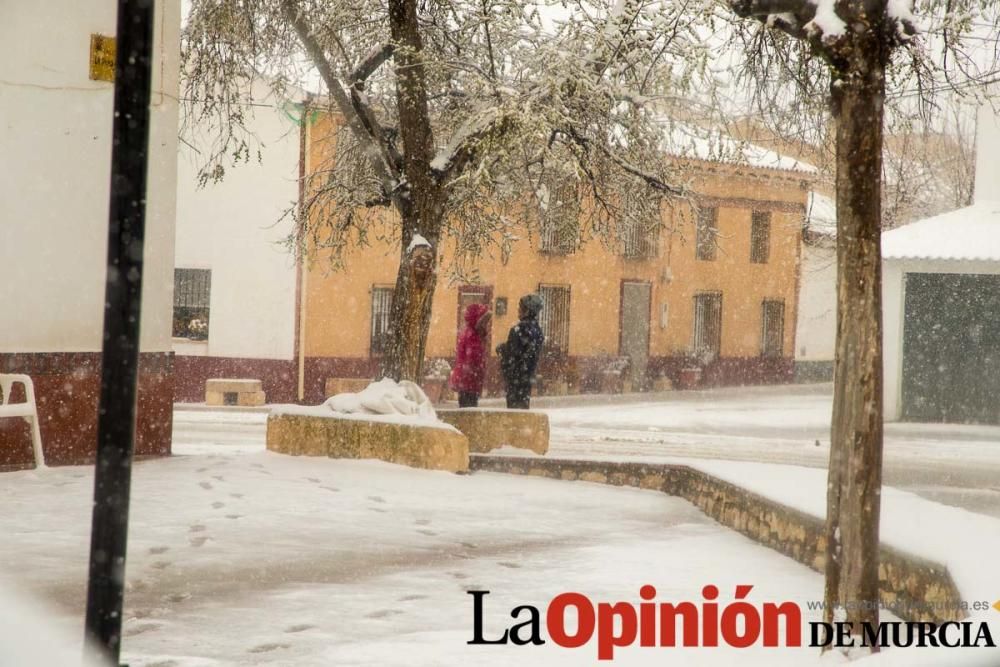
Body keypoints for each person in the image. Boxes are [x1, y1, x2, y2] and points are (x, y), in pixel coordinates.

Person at [496, 294, 545, 409]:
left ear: (527, 310)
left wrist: (502, 349)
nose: (518, 310)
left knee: (514, 411)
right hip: (527, 377)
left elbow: (513, 354)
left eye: (520, 307)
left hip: (515, 378)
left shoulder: (518, 330)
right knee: (523, 408)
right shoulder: (537, 330)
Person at [449, 303, 492, 408]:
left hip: (467, 382)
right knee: (468, 412)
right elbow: (474, 359)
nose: (487, 325)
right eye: (485, 322)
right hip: (469, 382)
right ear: (478, 321)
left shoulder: (469, 332)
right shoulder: (473, 336)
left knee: (466, 409)